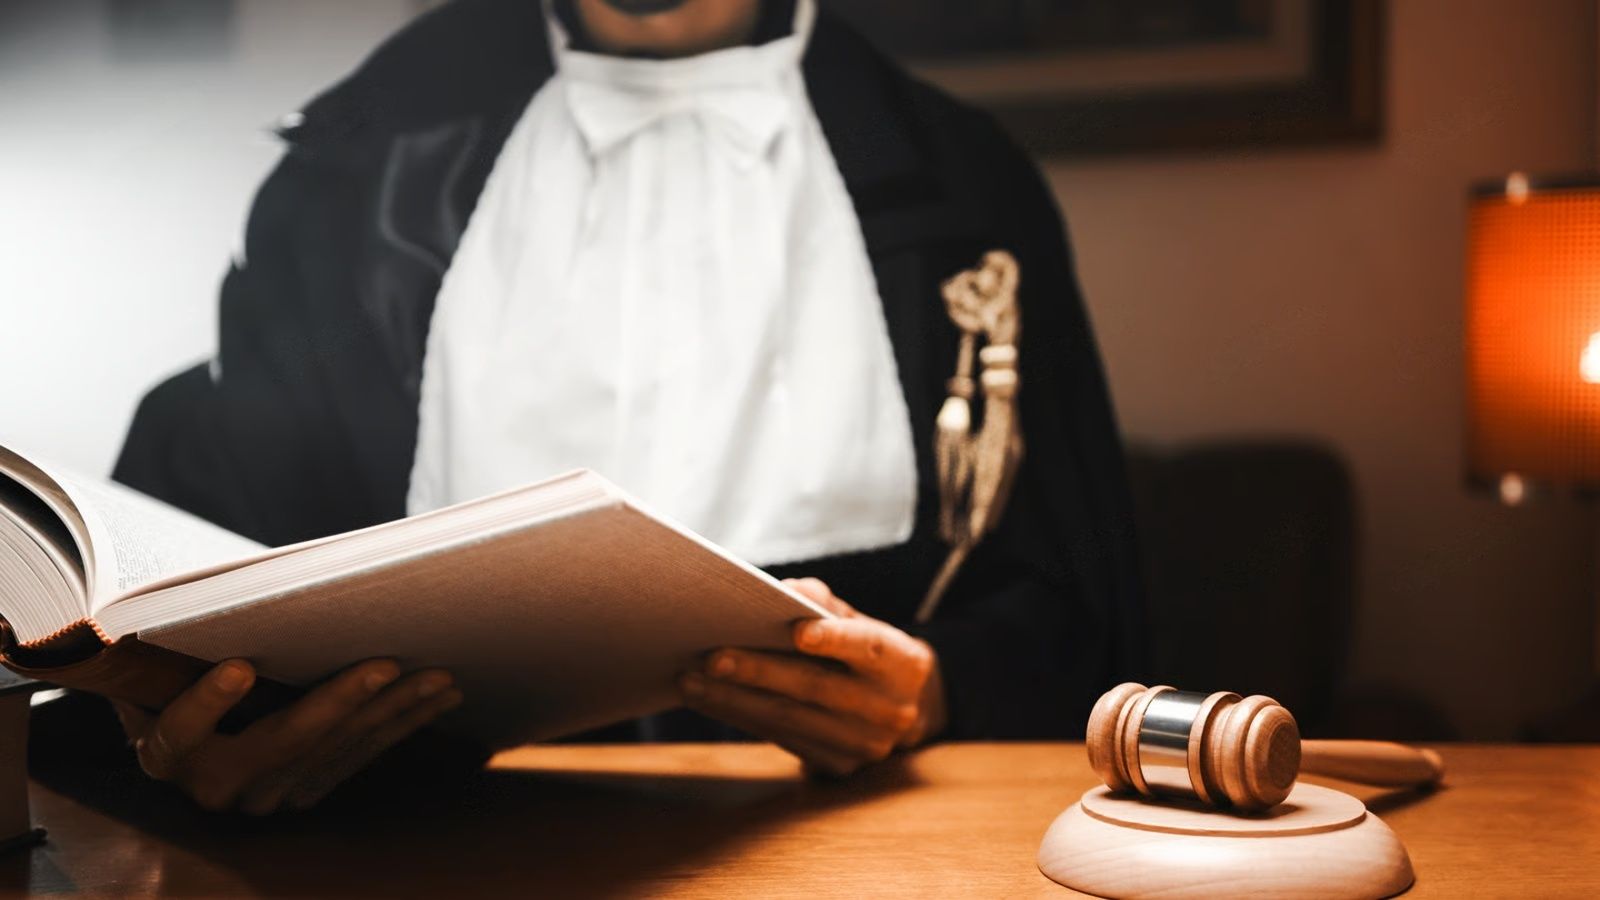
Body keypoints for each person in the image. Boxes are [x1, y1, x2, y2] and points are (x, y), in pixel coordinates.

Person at [110, 0, 1142, 815]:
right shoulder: (354, 173)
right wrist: (205, 733)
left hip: (837, 828)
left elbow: (1069, 590)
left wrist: (933, 691)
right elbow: (212, 580)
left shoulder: (965, 183)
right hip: (422, 837)